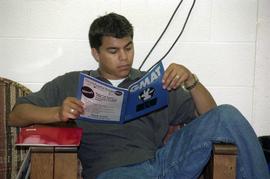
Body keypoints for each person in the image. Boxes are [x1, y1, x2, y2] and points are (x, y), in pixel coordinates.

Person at [8, 13, 269, 179]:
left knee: (227, 114)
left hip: (163, 164)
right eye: (113, 51)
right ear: (96, 53)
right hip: (114, 172)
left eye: (129, 47)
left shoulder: (152, 83)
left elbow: (211, 116)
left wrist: (192, 81)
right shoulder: (73, 82)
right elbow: (15, 115)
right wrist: (57, 112)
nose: (124, 57)